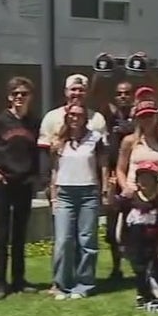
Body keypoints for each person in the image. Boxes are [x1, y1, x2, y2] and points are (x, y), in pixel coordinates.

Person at [0, 77, 42, 300]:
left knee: (19, 235)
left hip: (24, 185)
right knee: (1, 235)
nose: (19, 97)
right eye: (15, 94)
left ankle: (19, 280)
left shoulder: (34, 123)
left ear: (30, 97)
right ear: (9, 97)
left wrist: (35, 177)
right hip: (2, 184)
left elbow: (38, 153)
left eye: (24, 94)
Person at [116, 100, 158, 293]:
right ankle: (142, 287)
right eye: (143, 116)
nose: (147, 120)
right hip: (136, 197)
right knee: (134, 241)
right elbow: (120, 169)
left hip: (157, 197)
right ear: (137, 118)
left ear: (156, 117)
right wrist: (125, 187)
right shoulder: (129, 141)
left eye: (150, 115)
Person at [48, 103, 108, 300]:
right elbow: (55, 170)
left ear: (85, 118)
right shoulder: (59, 141)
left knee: (86, 240)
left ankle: (84, 284)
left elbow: (103, 166)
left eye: (79, 115)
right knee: (63, 240)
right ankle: (61, 284)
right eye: (71, 114)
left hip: (88, 193)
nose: (75, 118)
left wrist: (105, 189)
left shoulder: (95, 138)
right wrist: (54, 195)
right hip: (65, 193)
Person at [116, 161, 158, 308]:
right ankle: (142, 294)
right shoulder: (130, 200)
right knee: (139, 269)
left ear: (155, 181)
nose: (144, 182)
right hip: (134, 241)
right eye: (141, 178)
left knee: (153, 269)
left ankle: (155, 295)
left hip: (152, 242)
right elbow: (117, 212)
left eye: (148, 178)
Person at [102, 81, 136, 280]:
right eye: (119, 93)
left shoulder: (139, 117)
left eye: (127, 92)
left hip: (136, 178)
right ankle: (117, 268)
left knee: (137, 224)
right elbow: (97, 96)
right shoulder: (110, 117)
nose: (123, 96)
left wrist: (143, 70)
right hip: (114, 178)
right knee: (112, 226)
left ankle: (139, 265)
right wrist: (102, 73)